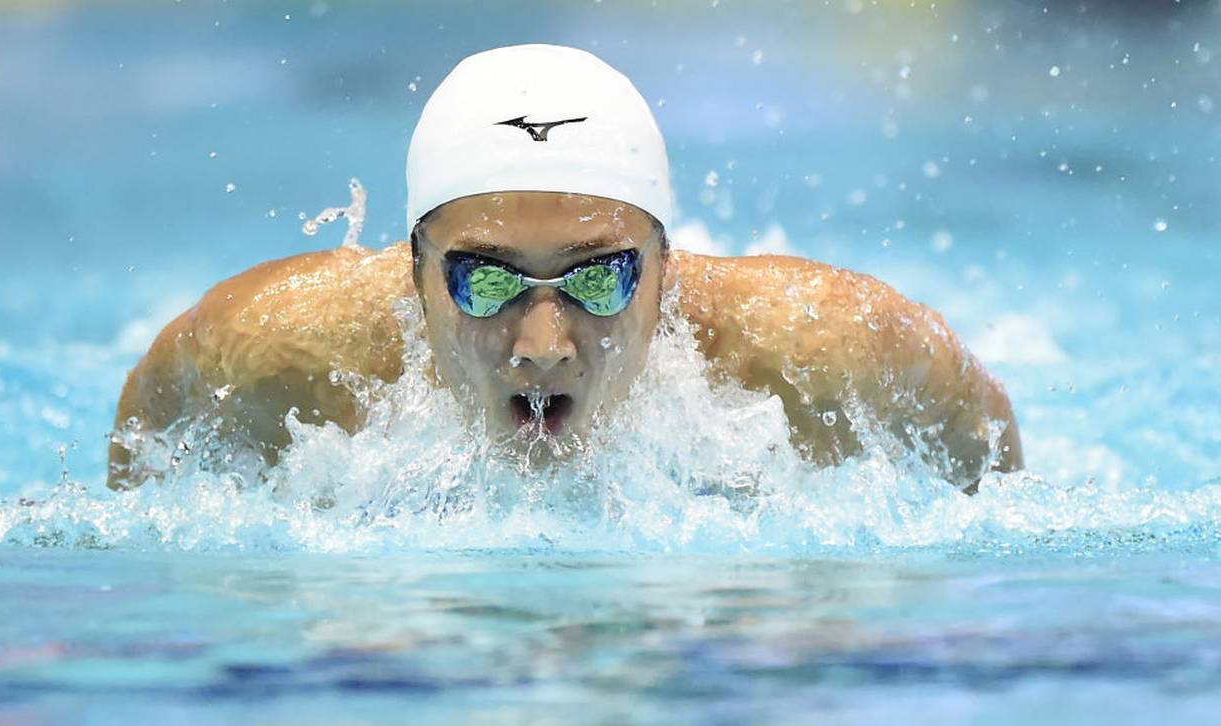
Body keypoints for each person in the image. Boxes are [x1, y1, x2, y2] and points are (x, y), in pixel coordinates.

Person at [107, 43, 1022, 492]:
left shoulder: (825, 351)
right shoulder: (272, 350)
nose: (542, 347)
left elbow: (987, 449)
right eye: (487, 280)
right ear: (411, 278)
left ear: (669, 273)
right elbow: (146, 439)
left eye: (598, 278)